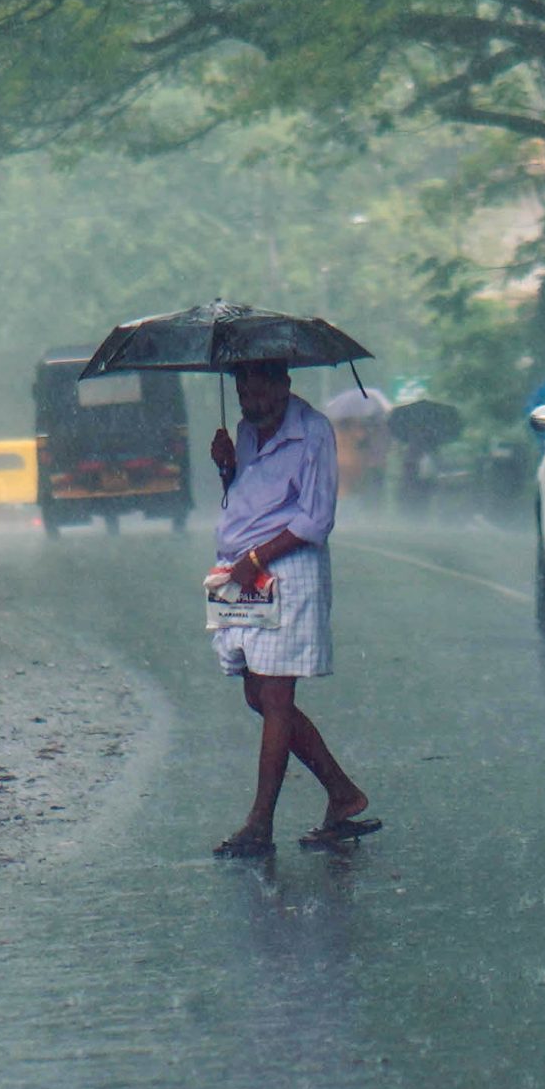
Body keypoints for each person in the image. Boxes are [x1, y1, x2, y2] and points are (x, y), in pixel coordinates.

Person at [208, 360, 373, 856]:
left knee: (277, 698)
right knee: (257, 695)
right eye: (242, 393)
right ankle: (343, 794)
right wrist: (227, 468)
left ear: (284, 385)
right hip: (239, 570)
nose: (250, 402)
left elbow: (315, 518)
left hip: (287, 570)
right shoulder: (246, 431)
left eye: (259, 391)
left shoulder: (314, 432)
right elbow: (250, 501)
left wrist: (255, 558)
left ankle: (260, 823)